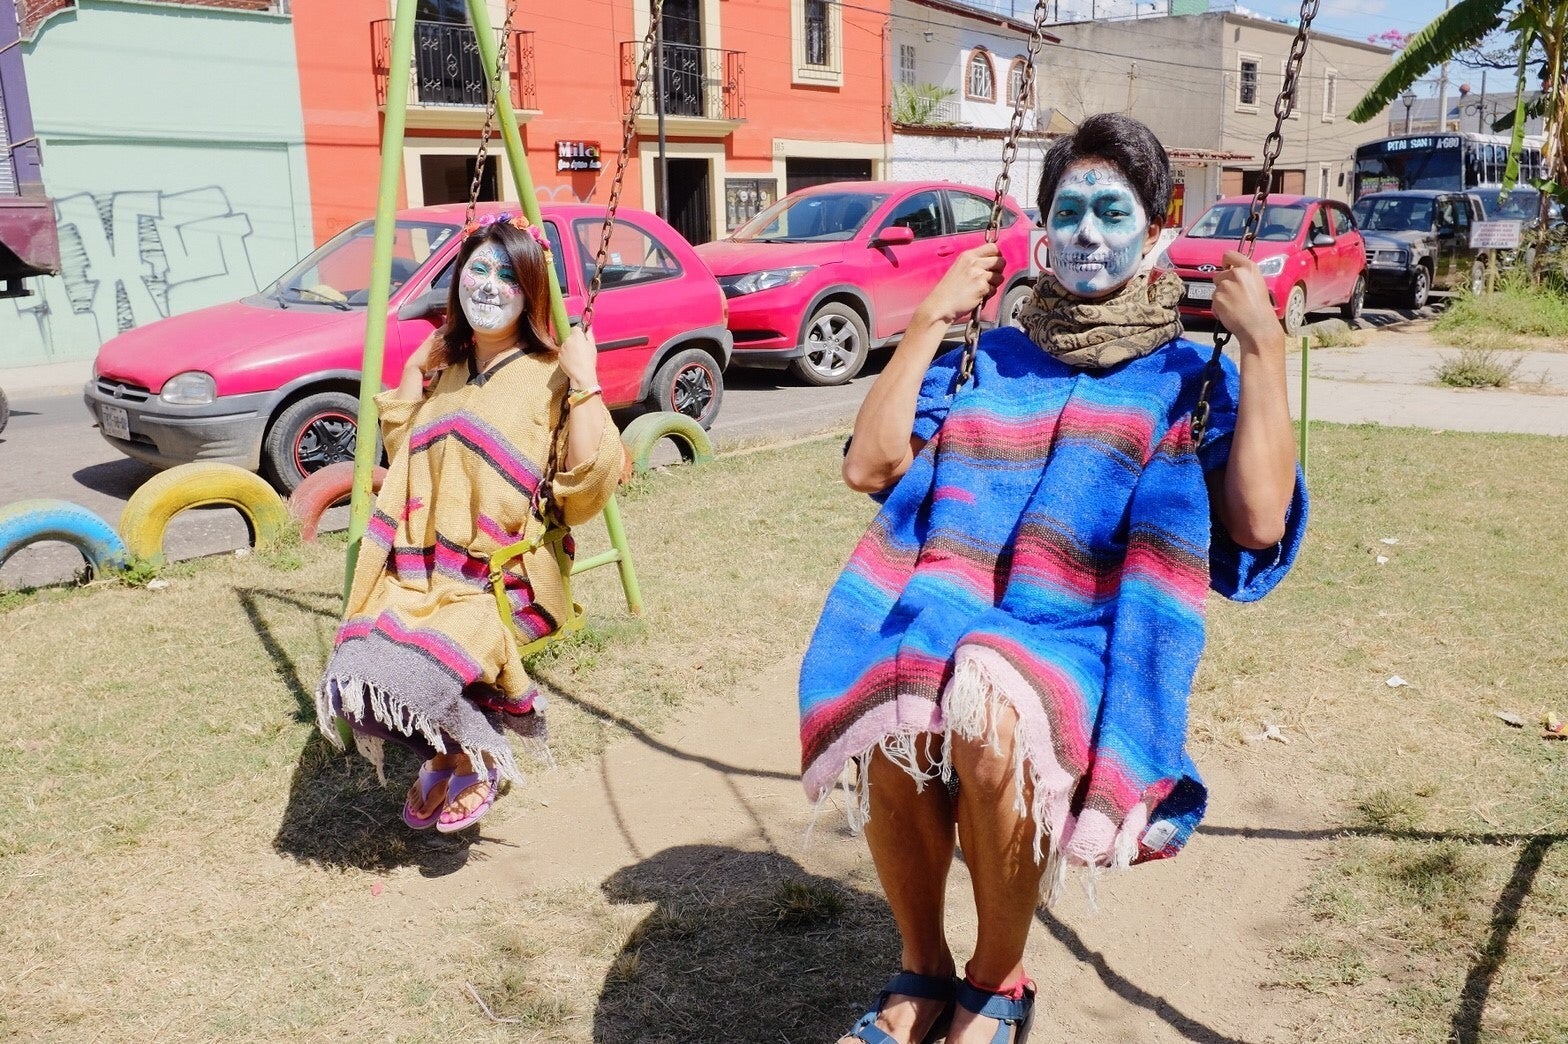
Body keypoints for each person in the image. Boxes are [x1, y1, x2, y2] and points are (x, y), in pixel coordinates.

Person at [799, 113, 1307, 1044]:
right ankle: (922, 966)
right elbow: (870, 466)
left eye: (1112, 212)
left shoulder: (1187, 374)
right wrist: (929, 321)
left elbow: (1258, 523)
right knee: (892, 698)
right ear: (1041, 227)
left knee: (990, 714)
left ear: (1156, 230)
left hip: (1086, 633)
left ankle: (997, 983)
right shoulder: (989, 355)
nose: (1087, 233)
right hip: (954, 601)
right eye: (1068, 210)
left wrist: (1264, 349)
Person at [315, 213, 624, 833]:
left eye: (507, 275)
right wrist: (414, 370)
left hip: (501, 578)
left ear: (529, 291)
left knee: (412, 668)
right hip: (421, 568)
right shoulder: (451, 370)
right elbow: (408, 457)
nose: (488, 285)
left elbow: (586, 491)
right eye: (477, 270)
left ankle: (472, 754)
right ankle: (452, 750)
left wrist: (586, 381)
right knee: (353, 673)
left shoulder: (551, 374)